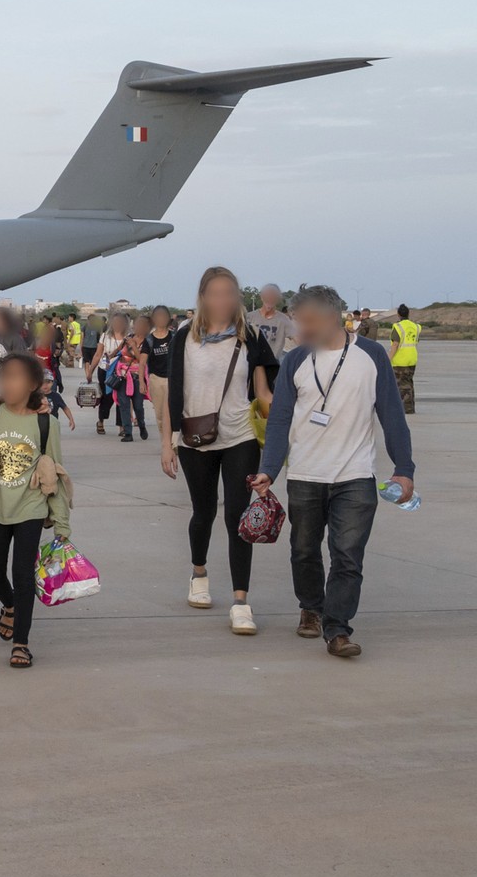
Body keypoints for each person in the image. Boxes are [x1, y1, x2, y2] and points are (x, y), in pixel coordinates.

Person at [253, 284, 414, 658]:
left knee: (347, 555)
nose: (300, 330)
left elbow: (392, 416)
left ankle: (337, 629)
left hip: (355, 476)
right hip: (306, 475)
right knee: (304, 550)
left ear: (331, 317)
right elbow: (278, 421)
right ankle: (310, 605)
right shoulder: (295, 360)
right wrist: (268, 470)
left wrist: (404, 468)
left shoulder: (371, 355)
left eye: (307, 322)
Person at [161, 266, 278, 635]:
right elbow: (169, 394)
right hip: (195, 437)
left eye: (230, 293)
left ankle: (241, 602)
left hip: (239, 435)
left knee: (238, 518)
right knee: (204, 511)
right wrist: (167, 443)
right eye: (215, 293)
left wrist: (285, 431)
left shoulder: (251, 336)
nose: (223, 300)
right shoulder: (184, 338)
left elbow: (263, 394)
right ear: (203, 297)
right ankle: (199, 573)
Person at [0, 352, 70, 668]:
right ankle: (9, 605)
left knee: (23, 575)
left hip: (30, 509)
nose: (8, 384)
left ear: (34, 384)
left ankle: (21, 643)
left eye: (16, 377)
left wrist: (62, 522)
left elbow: (56, 474)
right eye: (4, 377)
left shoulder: (46, 423)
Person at [90, 313, 128, 434]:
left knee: (121, 398)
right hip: (105, 370)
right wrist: (90, 370)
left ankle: (121, 426)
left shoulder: (129, 337)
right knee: (106, 398)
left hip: (122, 371)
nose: (118, 325)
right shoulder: (105, 337)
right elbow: (98, 354)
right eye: (116, 322)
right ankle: (101, 420)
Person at [142, 305, 176, 440]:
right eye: (158, 317)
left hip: (173, 379)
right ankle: (166, 441)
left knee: (175, 412)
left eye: (163, 316)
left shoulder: (175, 337)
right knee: (161, 414)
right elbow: (142, 362)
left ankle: (175, 440)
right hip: (156, 379)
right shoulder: (149, 340)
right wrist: (142, 382)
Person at [110, 331, 149, 441]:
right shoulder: (128, 338)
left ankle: (142, 426)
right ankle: (128, 433)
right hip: (123, 377)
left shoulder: (147, 341)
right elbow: (119, 351)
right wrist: (110, 357)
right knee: (124, 405)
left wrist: (133, 345)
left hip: (137, 377)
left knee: (138, 406)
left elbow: (141, 360)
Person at [246, 283, 295, 358]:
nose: (270, 298)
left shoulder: (284, 319)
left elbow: (297, 338)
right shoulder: (249, 317)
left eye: (273, 295)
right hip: (250, 364)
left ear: (278, 299)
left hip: (272, 366)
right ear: (261, 296)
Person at [388, 303, 420, 414]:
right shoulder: (415, 326)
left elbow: (395, 345)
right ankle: (410, 407)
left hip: (400, 360)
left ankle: (405, 409)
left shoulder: (398, 327)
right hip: (412, 358)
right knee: (409, 383)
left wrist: (388, 359)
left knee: (402, 386)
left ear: (398, 314)